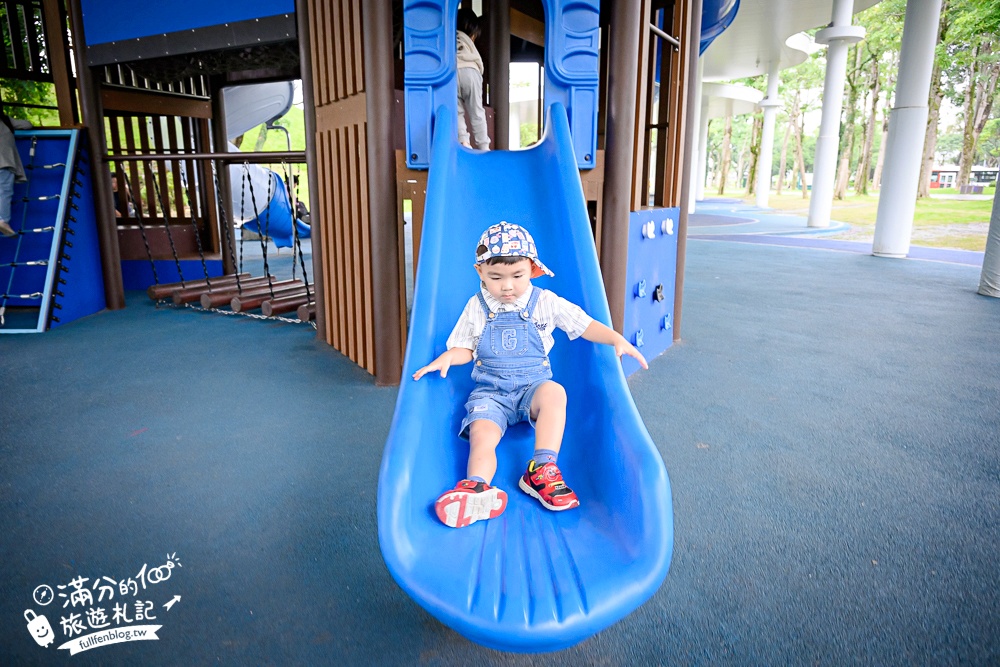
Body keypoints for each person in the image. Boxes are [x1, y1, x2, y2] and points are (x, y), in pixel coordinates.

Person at [412, 222, 648, 528]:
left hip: (531, 390)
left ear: (533, 270)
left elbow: (582, 323)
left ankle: (541, 469)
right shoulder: (476, 307)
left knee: (555, 393)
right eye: (496, 277)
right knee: (482, 436)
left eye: (517, 276)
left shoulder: (545, 302)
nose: (507, 286)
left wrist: (615, 338)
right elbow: (466, 349)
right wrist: (447, 357)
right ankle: (477, 487)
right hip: (491, 394)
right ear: (480, 272)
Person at [456, 8, 490, 150]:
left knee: (456, 109)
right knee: (477, 111)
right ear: (474, 35)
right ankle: (484, 146)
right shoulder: (470, 42)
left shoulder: (450, 35)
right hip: (472, 70)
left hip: (453, 70)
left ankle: (464, 141)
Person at [0, 112, 29, 237]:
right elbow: (27, 125)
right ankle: (3, 220)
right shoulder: (5, 120)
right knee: (4, 191)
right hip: (3, 162)